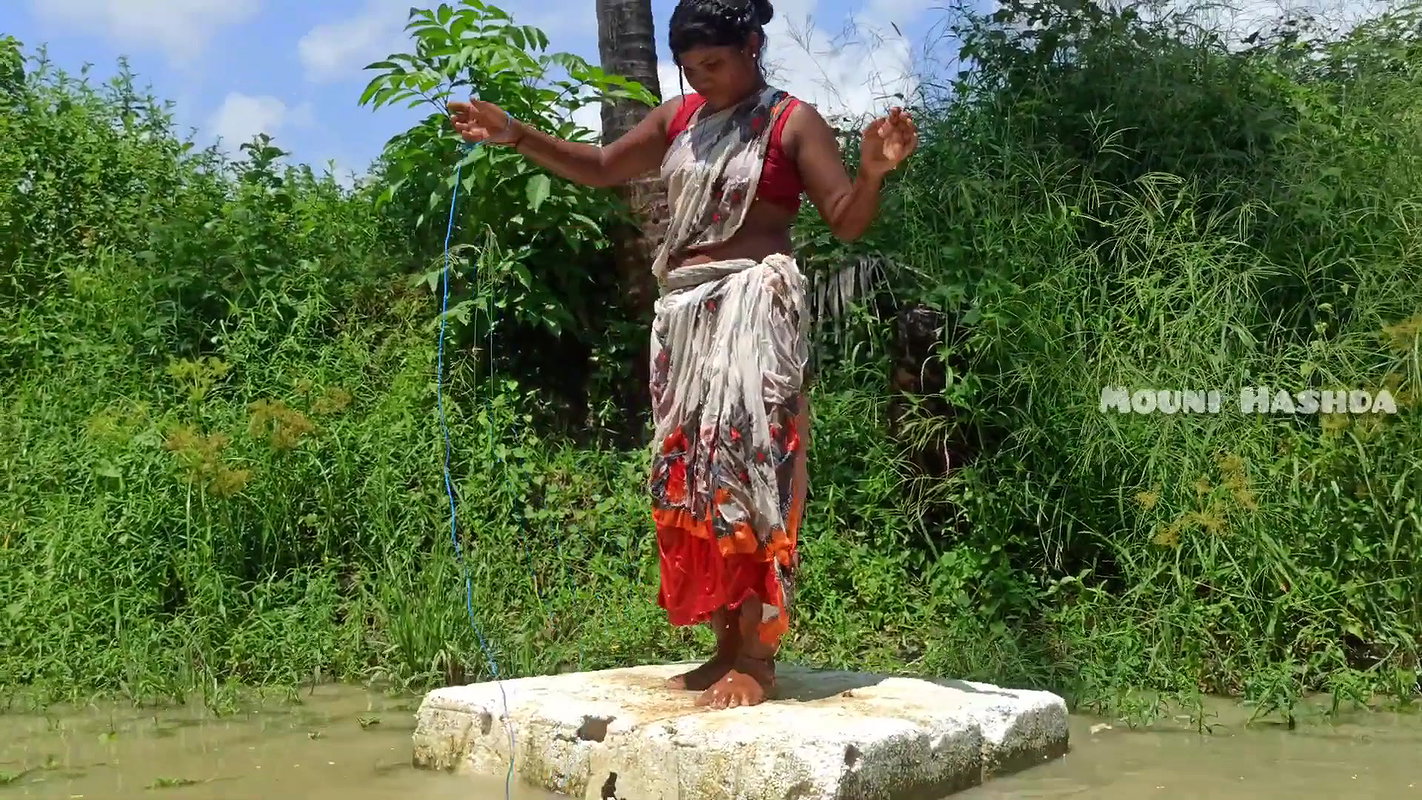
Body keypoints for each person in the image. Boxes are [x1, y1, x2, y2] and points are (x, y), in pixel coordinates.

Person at [448, 0, 917, 709]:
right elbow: (605, 166)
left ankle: (758, 657)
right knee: (693, 476)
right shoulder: (680, 120)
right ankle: (725, 644)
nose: (705, 80)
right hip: (686, 321)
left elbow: (846, 221)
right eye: (691, 69)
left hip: (754, 313)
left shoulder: (793, 122)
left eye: (717, 64)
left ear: (754, 45)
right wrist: (517, 135)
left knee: (753, 470)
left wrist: (874, 170)